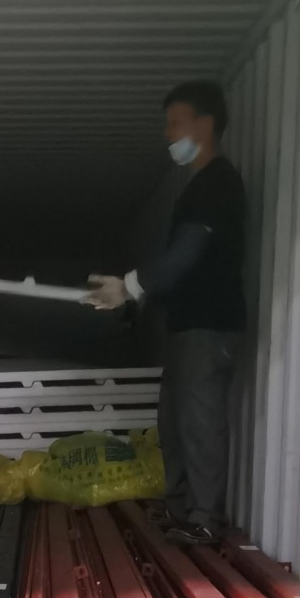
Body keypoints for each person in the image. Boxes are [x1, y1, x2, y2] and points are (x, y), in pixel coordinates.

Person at [91, 82, 250, 543]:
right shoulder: (196, 187)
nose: (168, 134)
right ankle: (179, 508)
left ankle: (204, 519)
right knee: (174, 422)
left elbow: (186, 255)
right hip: (186, 325)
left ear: (205, 124)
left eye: (175, 123)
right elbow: (177, 268)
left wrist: (130, 285)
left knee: (199, 422)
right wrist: (136, 300)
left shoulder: (218, 182)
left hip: (210, 325)